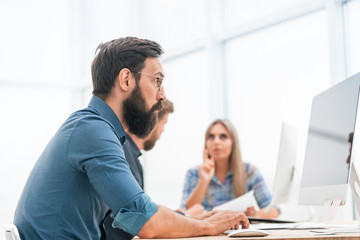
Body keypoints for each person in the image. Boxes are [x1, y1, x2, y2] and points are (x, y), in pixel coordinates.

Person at [14, 37, 249, 240]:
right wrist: (207, 225)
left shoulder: (95, 128)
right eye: (157, 80)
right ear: (126, 79)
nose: (162, 94)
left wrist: (188, 219)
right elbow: (145, 221)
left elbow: (133, 211)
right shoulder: (93, 130)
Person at [103, 99, 203, 240]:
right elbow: (140, 221)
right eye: (164, 125)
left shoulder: (129, 155)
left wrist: (178, 216)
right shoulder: (124, 155)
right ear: (154, 121)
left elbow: (139, 213)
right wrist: (185, 216)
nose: (162, 132)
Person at [180, 119, 280, 219]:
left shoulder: (249, 171)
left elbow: (274, 210)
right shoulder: (193, 174)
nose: (216, 141)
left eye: (223, 136)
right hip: (207, 233)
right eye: (211, 137)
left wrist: (255, 215)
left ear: (233, 142)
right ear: (206, 143)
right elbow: (186, 213)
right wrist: (204, 181)